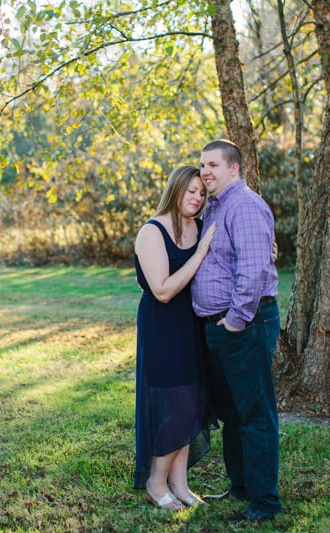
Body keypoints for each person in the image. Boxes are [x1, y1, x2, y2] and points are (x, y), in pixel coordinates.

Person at [191, 139, 282, 523]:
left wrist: (234, 320)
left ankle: (264, 504)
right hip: (219, 328)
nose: (205, 171)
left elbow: (254, 270)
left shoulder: (243, 206)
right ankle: (241, 485)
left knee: (255, 413)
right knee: (232, 412)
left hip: (243, 325)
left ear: (234, 169)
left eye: (213, 164)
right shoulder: (215, 209)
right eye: (202, 165)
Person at [133, 165, 218, 511]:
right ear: (176, 189)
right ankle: (156, 482)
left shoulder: (198, 226)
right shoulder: (152, 232)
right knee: (175, 404)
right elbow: (163, 290)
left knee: (193, 402)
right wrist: (198, 255)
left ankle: (180, 484)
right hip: (163, 326)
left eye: (202, 193)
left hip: (192, 324)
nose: (197, 198)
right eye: (191, 191)